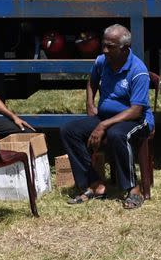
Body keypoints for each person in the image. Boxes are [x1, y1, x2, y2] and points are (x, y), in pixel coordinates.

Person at [60, 24, 153, 210]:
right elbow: (91, 81)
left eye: (110, 46)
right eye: (104, 45)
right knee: (69, 131)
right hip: (106, 117)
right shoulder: (102, 61)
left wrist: (103, 126)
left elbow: (136, 110)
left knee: (117, 134)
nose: (104, 50)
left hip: (136, 120)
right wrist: (90, 105)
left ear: (125, 48)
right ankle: (94, 184)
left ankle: (134, 189)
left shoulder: (138, 70)